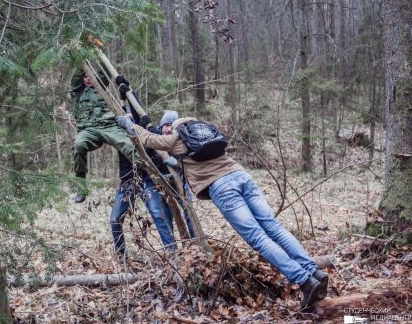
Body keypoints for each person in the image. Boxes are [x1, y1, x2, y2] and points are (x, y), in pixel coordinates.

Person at [115, 113, 329, 309]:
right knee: (273, 227)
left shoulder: (178, 136)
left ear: (174, 125)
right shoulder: (202, 129)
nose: (166, 131)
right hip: (242, 176)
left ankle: (304, 281)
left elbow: (150, 141)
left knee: (257, 237)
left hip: (223, 188)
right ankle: (314, 272)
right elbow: (187, 159)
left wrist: (129, 123)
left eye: (167, 127)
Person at [110, 104, 195, 258]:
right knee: (115, 218)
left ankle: (173, 252)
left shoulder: (147, 131)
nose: (168, 128)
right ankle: (121, 256)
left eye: (130, 114)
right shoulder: (117, 132)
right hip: (127, 180)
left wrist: (128, 91)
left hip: (148, 178)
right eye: (126, 114)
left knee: (159, 213)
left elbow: (157, 141)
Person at [69, 69, 137, 203]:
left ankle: (147, 174)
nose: (88, 79)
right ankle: (81, 187)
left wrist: (96, 49)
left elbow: (104, 71)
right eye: (85, 77)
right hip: (88, 130)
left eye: (90, 76)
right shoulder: (78, 91)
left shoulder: (101, 88)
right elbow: (77, 74)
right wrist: (80, 53)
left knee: (129, 145)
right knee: (78, 145)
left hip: (109, 126)